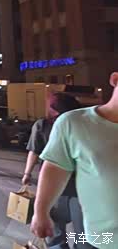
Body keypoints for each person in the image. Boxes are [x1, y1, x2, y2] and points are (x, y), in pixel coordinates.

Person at [32, 72, 118, 248]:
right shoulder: (73, 123)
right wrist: (41, 212)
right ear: (115, 79)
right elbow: (54, 168)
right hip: (102, 239)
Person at [22, 92, 83, 248]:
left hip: (53, 185)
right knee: (82, 233)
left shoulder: (43, 125)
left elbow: (34, 151)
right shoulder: (81, 123)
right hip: (80, 186)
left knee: (55, 232)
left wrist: (27, 174)